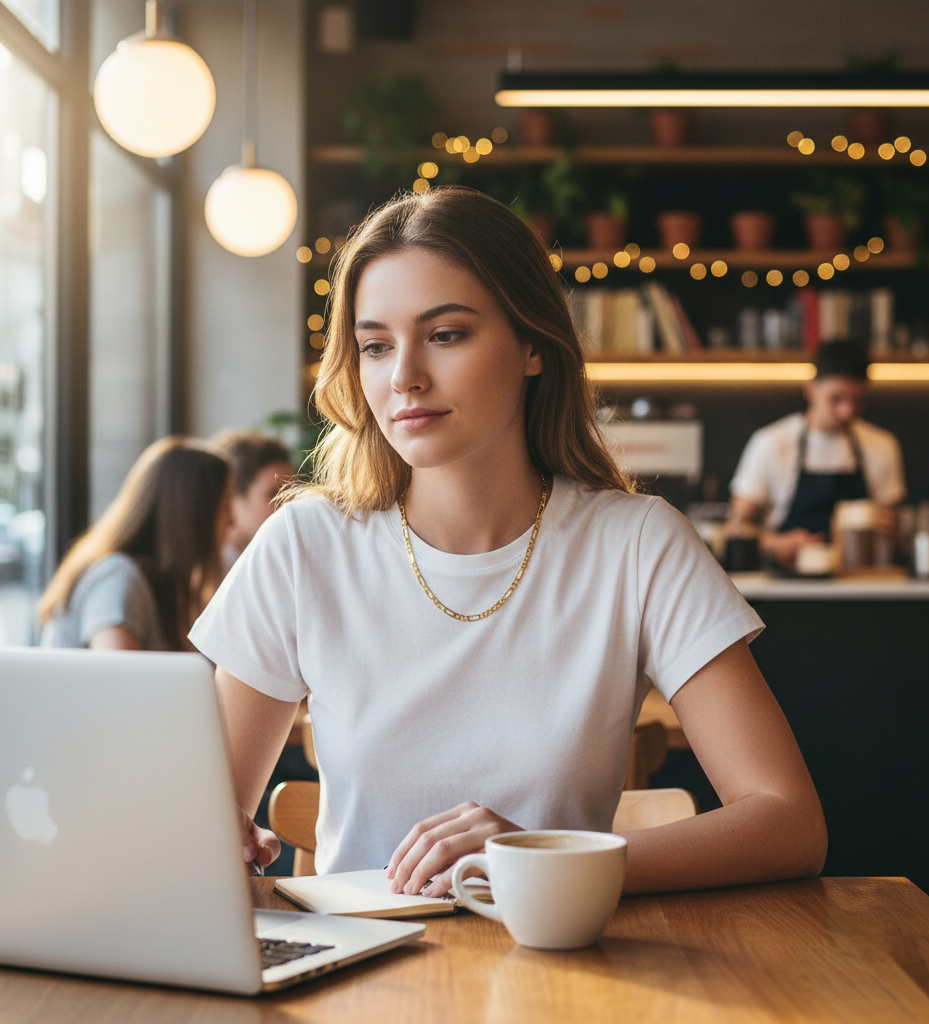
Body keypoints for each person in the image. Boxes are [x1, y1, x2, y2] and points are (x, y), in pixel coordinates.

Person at [189, 186, 827, 897]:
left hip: (567, 976)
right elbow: (198, 827)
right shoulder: (303, 548)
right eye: (375, 346)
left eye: (446, 334)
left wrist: (546, 860)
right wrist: (212, 838)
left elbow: (789, 822)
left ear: (531, 345)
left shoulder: (637, 545)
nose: (403, 377)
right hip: (355, 982)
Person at [39, 437, 232, 651]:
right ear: (193, 516)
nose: (232, 522)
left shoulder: (161, 588)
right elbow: (117, 679)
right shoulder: (118, 579)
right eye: (224, 507)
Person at [728, 341, 906, 568]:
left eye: (858, 401)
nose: (847, 411)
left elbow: (896, 527)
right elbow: (736, 527)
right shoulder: (771, 443)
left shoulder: (882, 445)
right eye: (836, 399)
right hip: (787, 586)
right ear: (810, 389)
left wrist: (888, 527)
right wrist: (776, 543)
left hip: (861, 583)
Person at [210, 430, 293, 566]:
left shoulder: (281, 563)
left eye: (291, 494)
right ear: (231, 497)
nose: (287, 505)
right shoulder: (209, 578)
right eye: (273, 494)